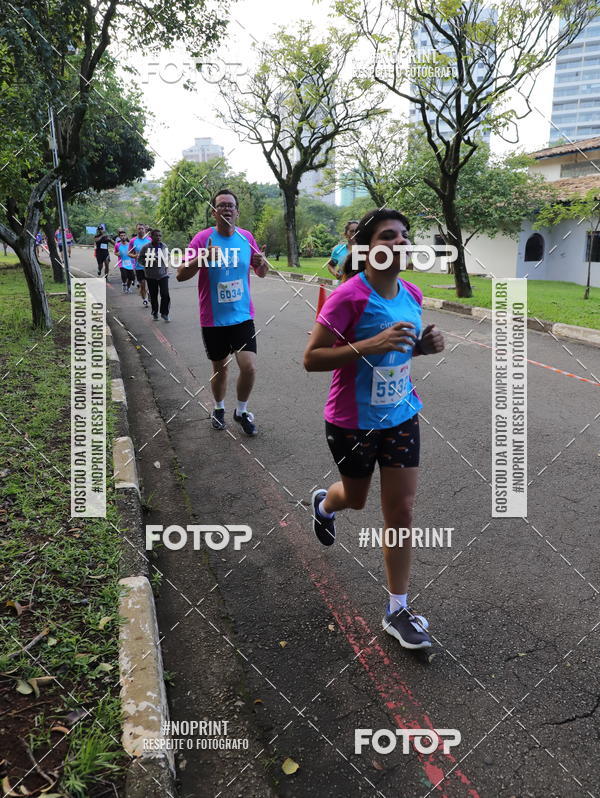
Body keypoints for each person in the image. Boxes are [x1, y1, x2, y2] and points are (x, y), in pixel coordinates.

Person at [303, 208, 445, 652]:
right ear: (365, 250)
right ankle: (326, 503)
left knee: (401, 511)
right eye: (389, 237)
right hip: (352, 421)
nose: (401, 243)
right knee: (357, 500)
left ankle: (397, 609)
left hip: (401, 414)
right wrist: (371, 344)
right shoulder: (348, 296)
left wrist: (420, 349)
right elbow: (312, 358)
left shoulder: (413, 293)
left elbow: (397, 355)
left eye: (405, 236)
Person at [176, 189, 268, 436]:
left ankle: (241, 411)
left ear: (237, 211)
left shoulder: (246, 237)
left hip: (242, 316)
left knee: (248, 367)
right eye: (222, 206)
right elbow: (180, 273)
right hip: (213, 318)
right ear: (214, 212)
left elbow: (260, 271)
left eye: (231, 205)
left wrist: (262, 263)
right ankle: (218, 408)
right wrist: (202, 258)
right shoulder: (202, 239)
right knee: (220, 368)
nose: (227, 209)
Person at [137, 228, 171, 321]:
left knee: (165, 294)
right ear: (151, 237)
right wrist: (149, 261)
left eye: (160, 235)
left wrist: (164, 260)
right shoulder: (146, 247)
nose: (159, 237)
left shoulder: (164, 246)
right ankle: (155, 312)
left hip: (163, 274)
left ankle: (164, 313)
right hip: (150, 275)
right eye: (156, 235)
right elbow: (140, 259)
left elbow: (168, 256)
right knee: (153, 295)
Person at [128, 223, 151, 307]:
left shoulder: (150, 240)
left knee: (151, 284)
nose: (140, 230)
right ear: (136, 230)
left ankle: (149, 293)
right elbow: (129, 253)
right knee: (142, 284)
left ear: (145, 230)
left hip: (150, 266)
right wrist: (135, 256)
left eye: (142, 228)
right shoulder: (133, 241)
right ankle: (144, 299)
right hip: (139, 267)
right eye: (139, 229)